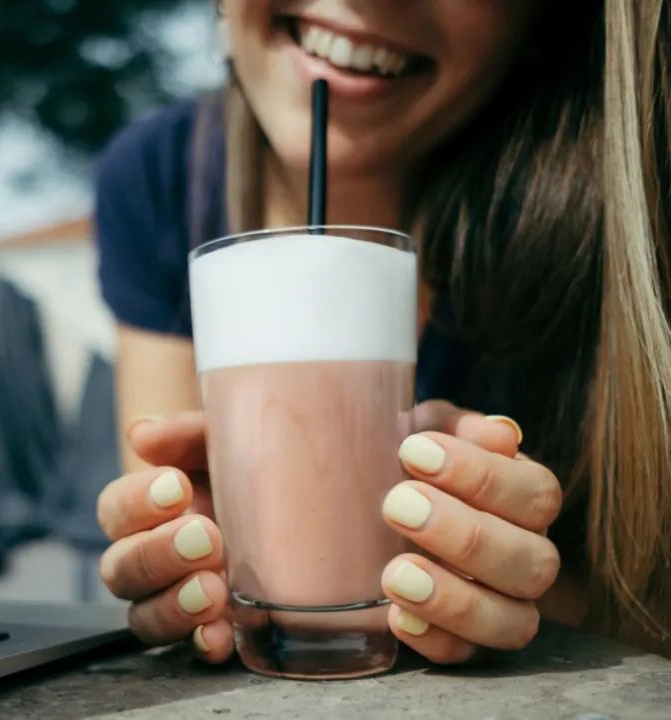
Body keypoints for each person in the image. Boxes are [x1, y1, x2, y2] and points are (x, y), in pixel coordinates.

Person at [92, 0, 671, 665]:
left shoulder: (629, 218)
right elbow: (174, 552)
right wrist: (182, 555)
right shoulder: (161, 177)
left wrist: (532, 599)